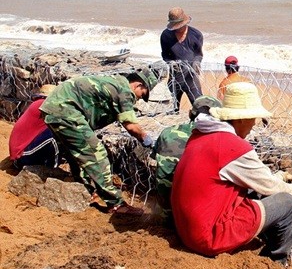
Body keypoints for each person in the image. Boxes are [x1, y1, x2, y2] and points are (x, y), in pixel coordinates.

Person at [171, 82, 292, 264]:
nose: (254, 124)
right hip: (208, 237)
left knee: (252, 193)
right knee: (286, 203)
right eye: (253, 118)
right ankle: (276, 262)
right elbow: (269, 185)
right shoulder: (233, 147)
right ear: (242, 119)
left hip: (185, 230)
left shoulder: (200, 134)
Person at [39, 68, 159, 216]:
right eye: (142, 95)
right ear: (138, 85)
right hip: (66, 111)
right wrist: (147, 140)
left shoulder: (114, 82)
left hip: (54, 108)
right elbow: (131, 125)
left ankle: (85, 191)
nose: (139, 99)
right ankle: (116, 204)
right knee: (96, 154)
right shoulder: (125, 91)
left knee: (75, 154)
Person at [152, 95, 222, 224]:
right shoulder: (215, 140)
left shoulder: (167, 133)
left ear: (190, 113)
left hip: (164, 212)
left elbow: (156, 158)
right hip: (192, 217)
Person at [160, 7, 203, 112]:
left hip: (190, 77)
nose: (177, 28)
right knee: (172, 109)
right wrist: (170, 62)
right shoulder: (166, 36)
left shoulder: (196, 35)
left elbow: (199, 54)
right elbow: (165, 55)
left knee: (200, 107)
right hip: (175, 78)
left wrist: (197, 62)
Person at [9, 84, 61, 169]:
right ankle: (53, 170)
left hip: (21, 155)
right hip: (22, 158)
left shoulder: (37, 104)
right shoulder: (44, 105)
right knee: (55, 134)